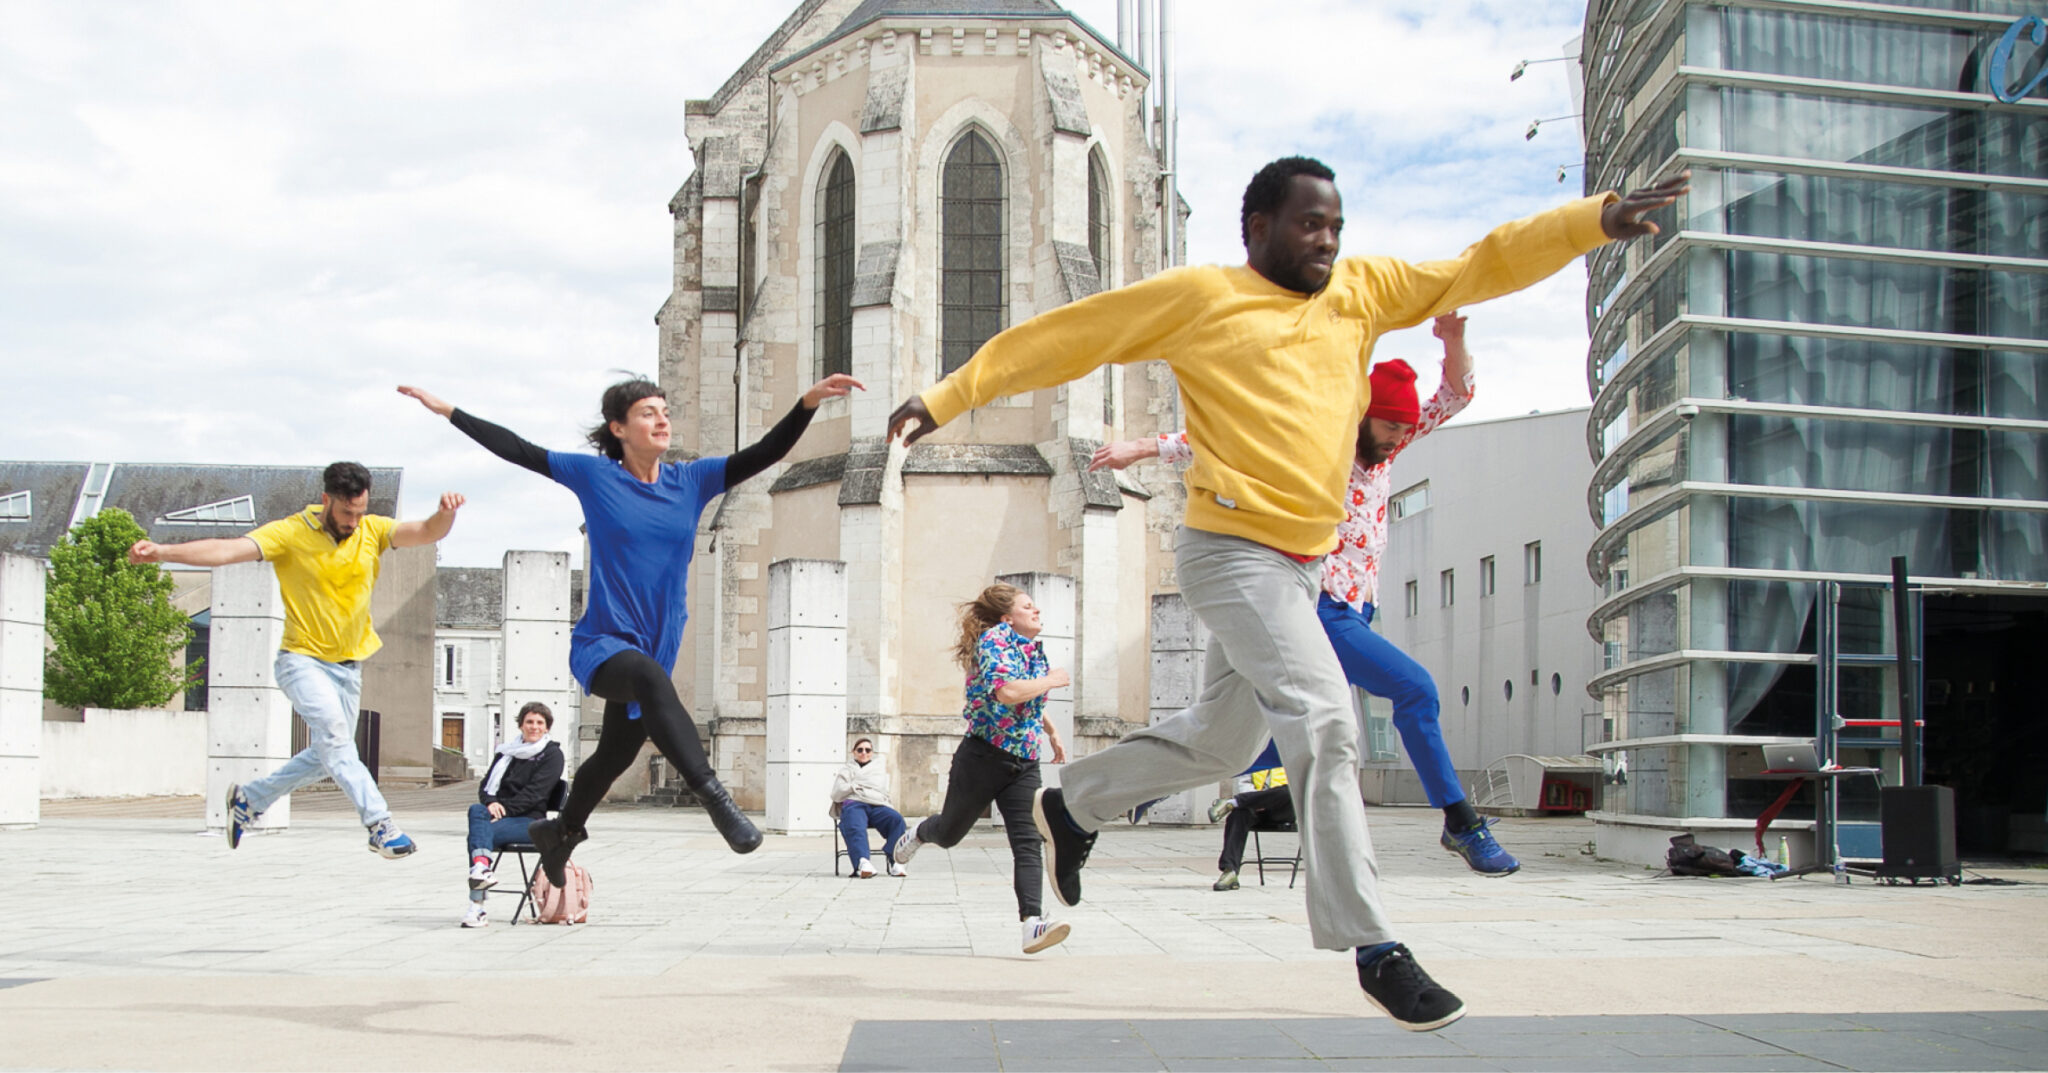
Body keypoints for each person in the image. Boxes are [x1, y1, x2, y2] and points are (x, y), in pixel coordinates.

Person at [886, 154, 1686, 1031]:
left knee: (1224, 745)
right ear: (1259, 228)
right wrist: (952, 394)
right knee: (1325, 715)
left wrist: (1593, 221)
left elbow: (1478, 262)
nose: (1328, 240)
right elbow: (1072, 333)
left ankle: (1072, 803)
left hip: (1300, 570)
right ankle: (1374, 943)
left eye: (1337, 225)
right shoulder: (1203, 299)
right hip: (1232, 554)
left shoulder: (1363, 291)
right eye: (1311, 224)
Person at [1093, 311, 1520, 876]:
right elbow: (1232, 442)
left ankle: (1135, 786)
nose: (1396, 442)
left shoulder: (1391, 442)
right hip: (1317, 607)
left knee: (1247, 730)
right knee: (1416, 691)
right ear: (1365, 417)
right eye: (1389, 428)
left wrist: (1455, 338)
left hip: (1353, 612)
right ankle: (1461, 823)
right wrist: (1144, 447)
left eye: (1404, 431)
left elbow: (1457, 393)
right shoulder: (1320, 438)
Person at [398, 371, 862, 888]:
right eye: (648, 412)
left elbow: (764, 453)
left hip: (657, 647)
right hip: (602, 645)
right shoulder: (594, 477)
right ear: (618, 428)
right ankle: (715, 798)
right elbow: (518, 450)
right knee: (643, 679)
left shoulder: (692, 481)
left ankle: (562, 831)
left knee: (614, 754)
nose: (662, 418)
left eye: (664, 410)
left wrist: (806, 403)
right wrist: (450, 411)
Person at [129, 463, 463, 858]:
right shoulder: (289, 533)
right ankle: (380, 824)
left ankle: (248, 800)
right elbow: (226, 550)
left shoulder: (373, 530)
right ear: (327, 500)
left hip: (349, 667)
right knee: (338, 740)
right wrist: (163, 552)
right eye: (346, 513)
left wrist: (446, 514)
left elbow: (426, 532)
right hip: (301, 662)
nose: (353, 523)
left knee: (328, 755)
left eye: (359, 512)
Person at [891, 584, 1072, 955]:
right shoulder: (994, 640)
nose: (1036, 610)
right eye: (1028, 606)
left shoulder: (1030, 649)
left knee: (1028, 841)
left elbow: (1028, 695)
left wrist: (1051, 732)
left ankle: (1032, 924)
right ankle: (921, 833)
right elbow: (1006, 691)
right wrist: (1053, 680)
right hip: (983, 757)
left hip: (1023, 761)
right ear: (1008, 618)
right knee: (951, 832)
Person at [460, 701, 565, 927]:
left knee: (478, 835)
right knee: (476, 811)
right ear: (521, 725)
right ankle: (481, 869)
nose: (534, 727)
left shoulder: (552, 755)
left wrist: (504, 810)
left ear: (547, 727)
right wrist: (491, 804)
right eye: (529, 722)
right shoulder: (506, 753)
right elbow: (485, 787)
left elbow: (536, 793)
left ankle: (476, 907)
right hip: (500, 818)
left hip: (532, 822)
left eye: (539, 723)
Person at [1208, 759, 1294, 892]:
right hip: (1256, 809)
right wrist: (1258, 802)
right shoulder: (1257, 756)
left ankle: (1232, 802)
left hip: (1284, 810)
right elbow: (1245, 784)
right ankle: (1230, 871)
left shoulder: (1295, 754)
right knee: (1239, 814)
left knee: (1290, 790)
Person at [830, 737, 909, 878]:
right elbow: (837, 793)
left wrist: (855, 784)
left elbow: (880, 789)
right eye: (860, 750)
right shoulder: (846, 770)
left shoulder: (878, 770)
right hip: (854, 803)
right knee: (854, 824)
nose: (864, 753)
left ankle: (895, 860)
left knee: (896, 819)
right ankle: (863, 862)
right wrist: (855, 786)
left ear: (872, 752)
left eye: (867, 750)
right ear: (853, 752)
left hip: (876, 803)